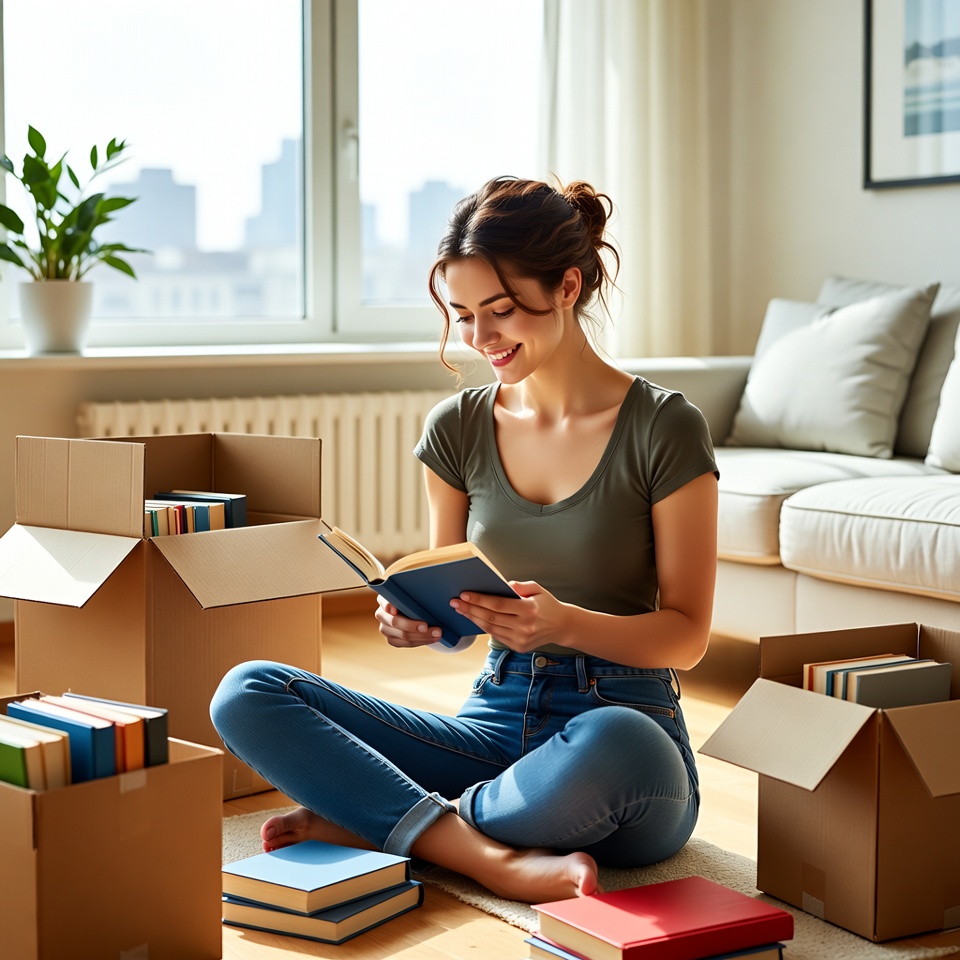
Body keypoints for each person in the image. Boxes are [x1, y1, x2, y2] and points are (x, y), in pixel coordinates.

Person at [210, 176, 719, 905]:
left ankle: (395, 819)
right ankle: (487, 856)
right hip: (493, 719)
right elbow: (456, 604)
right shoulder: (456, 428)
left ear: (568, 286)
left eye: (501, 311)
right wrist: (419, 622)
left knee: (619, 743)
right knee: (248, 691)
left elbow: (689, 637)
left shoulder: (664, 427)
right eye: (462, 314)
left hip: (623, 727)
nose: (480, 340)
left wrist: (566, 624)